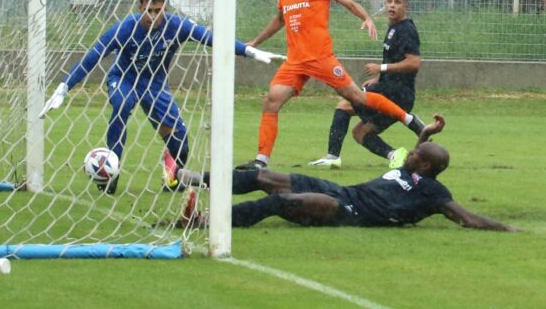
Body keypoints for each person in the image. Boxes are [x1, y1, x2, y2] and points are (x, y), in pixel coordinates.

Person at [39, 0, 285, 194]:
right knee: (123, 104)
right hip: (124, 79)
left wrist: (249, 51)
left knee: (180, 140)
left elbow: (212, 38)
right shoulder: (126, 28)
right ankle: (110, 171)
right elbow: (93, 56)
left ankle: (172, 173)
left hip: (155, 85)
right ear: (140, 8)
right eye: (149, 10)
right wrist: (64, 87)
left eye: (159, 11)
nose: (154, 16)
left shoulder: (176, 26)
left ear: (165, 9)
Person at [235, 0, 424, 170]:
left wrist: (367, 17)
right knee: (271, 102)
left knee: (357, 98)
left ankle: (409, 119)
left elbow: (348, 2)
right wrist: (256, 42)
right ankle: (261, 161)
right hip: (294, 61)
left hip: (320, 57)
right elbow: (279, 19)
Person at [179, 115, 521, 232]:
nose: (411, 152)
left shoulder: (433, 194)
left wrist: (505, 226)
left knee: (283, 200)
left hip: (347, 211)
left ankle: (209, 221)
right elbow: (423, 150)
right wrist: (427, 133)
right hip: (342, 191)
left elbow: (468, 218)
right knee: (261, 176)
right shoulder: (412, 169)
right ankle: (200, 178)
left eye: (417, 152)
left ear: (427, 166)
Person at [309, 0, 421, 170]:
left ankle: (332, 156)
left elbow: (414, 63)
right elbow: (396, 60)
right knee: (360, 133)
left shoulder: (406, 29)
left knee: (344, 105)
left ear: (405, 7)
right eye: (389, 1)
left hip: (398, 92)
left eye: (397, 2)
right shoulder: (394, 28)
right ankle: (395, 154)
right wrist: (378, 78)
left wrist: (381, 68)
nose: (392, 5)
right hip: (391, 88)